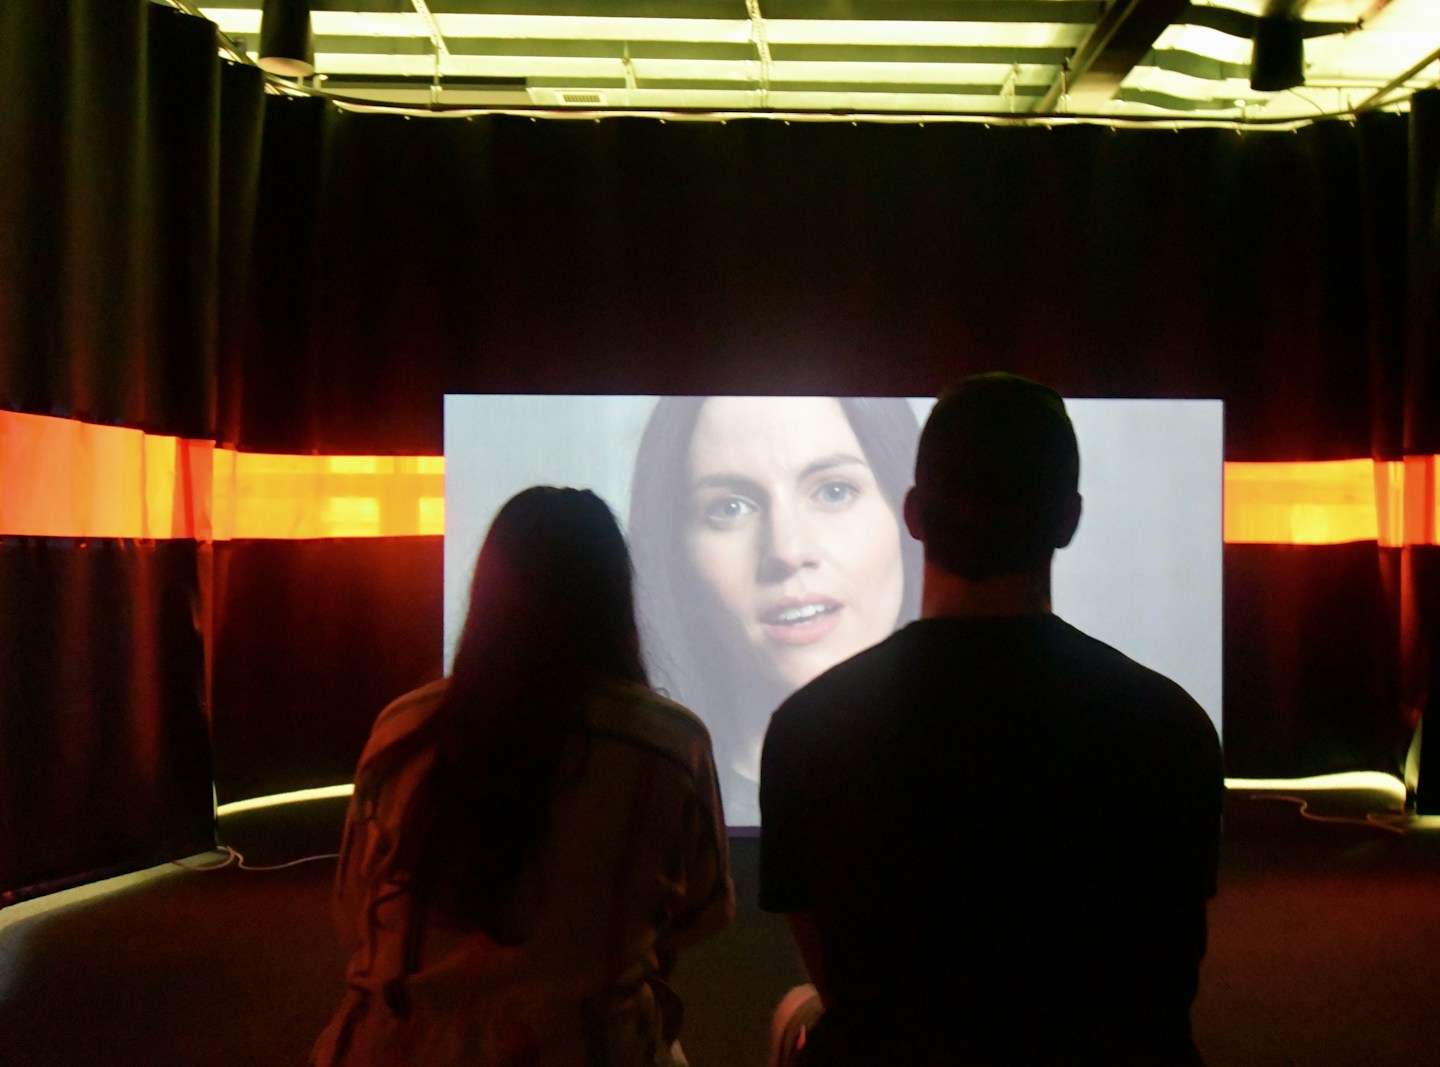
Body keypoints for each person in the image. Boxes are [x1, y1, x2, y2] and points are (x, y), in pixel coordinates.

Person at [759, 373, 1225, 1066]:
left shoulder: (808, 728)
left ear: (913, 514)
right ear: (1068, 519)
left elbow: (842, 980)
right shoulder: (1171, 726)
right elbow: (1162, 972)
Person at [310, 487, 733, 1067]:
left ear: (486, 592)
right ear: (614, 599)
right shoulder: (670, 744)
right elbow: (704, 913)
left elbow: (350, 909)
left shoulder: (402, 728)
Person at [629, 396, 923, 826]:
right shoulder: (644, 813)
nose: (787, 550)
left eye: (834, 491)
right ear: (676, 555)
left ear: (910, 516)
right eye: (730, 508)